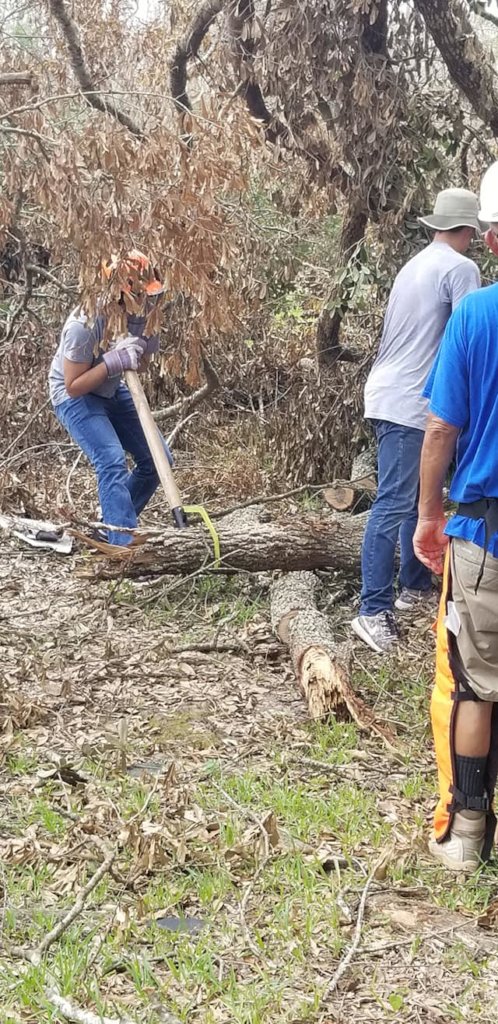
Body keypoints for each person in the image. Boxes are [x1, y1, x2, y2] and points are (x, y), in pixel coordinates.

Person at [351, 188, 481, 654]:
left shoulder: (418, 263)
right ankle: (372, 610)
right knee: (394, 502)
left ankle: (413, 587)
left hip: (387, 389)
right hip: (411, 399)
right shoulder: (461, 269)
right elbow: (471, 336)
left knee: (407, 500)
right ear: (474, 231)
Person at [413, 163, 498, 873]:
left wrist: (426, 514)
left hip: (485, 535)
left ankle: (468, 832)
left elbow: (441, 429)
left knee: (476, 682)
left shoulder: (477, 314)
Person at [49, 250, 171, 546]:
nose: (145, 301)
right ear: (118, 293)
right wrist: (112, 362)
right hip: (75, 397)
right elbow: (74, 385)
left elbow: (142, 363)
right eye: (138, 294)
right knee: (111, 460)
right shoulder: (84, 324)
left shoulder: (146, 315)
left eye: (148, 294)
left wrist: (136, 351)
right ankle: (121, 548)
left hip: (111, 389)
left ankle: (113, 524)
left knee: (159, 459)